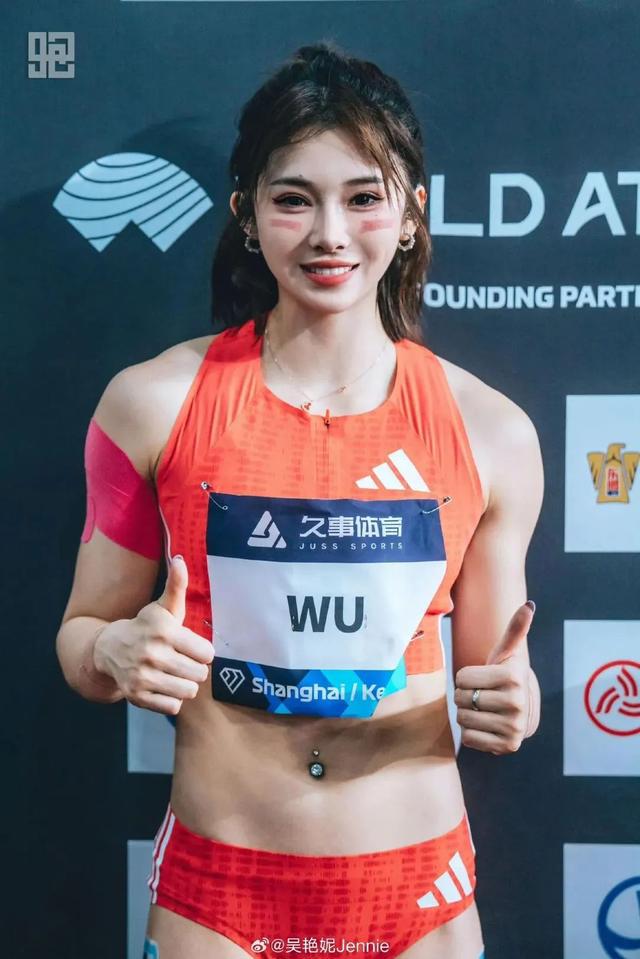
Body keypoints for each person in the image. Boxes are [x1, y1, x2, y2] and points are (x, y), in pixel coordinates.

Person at [56, 42, 543, 959]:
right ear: (246, 214)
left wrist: (517, 703)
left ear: (410, 215)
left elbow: (495, 676)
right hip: (217, 902)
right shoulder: (150, 404)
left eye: (363, 197)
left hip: (421, 900)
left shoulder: (492, 431)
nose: (330, 234)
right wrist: (112, 650)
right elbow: (82, 639)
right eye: (294, 198)